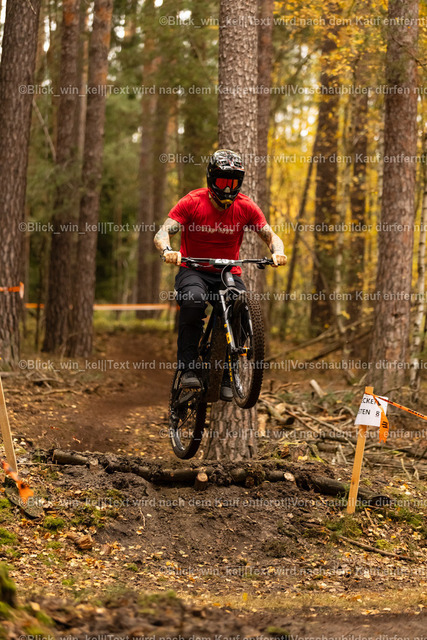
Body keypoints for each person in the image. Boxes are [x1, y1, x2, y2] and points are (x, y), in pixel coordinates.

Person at [154, 149, 287, 401]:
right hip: (193, 269)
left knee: (241, 308)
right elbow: (163, 232)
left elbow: (270, 235)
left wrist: (278, 252)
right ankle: (188, 368)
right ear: (211, 179)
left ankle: (227, 373)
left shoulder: (245, 206)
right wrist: (168, 250)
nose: (228, 188)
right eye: (223, 181)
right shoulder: (192, 201)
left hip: (227, 272)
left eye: (233, 182)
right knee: (193, 300)